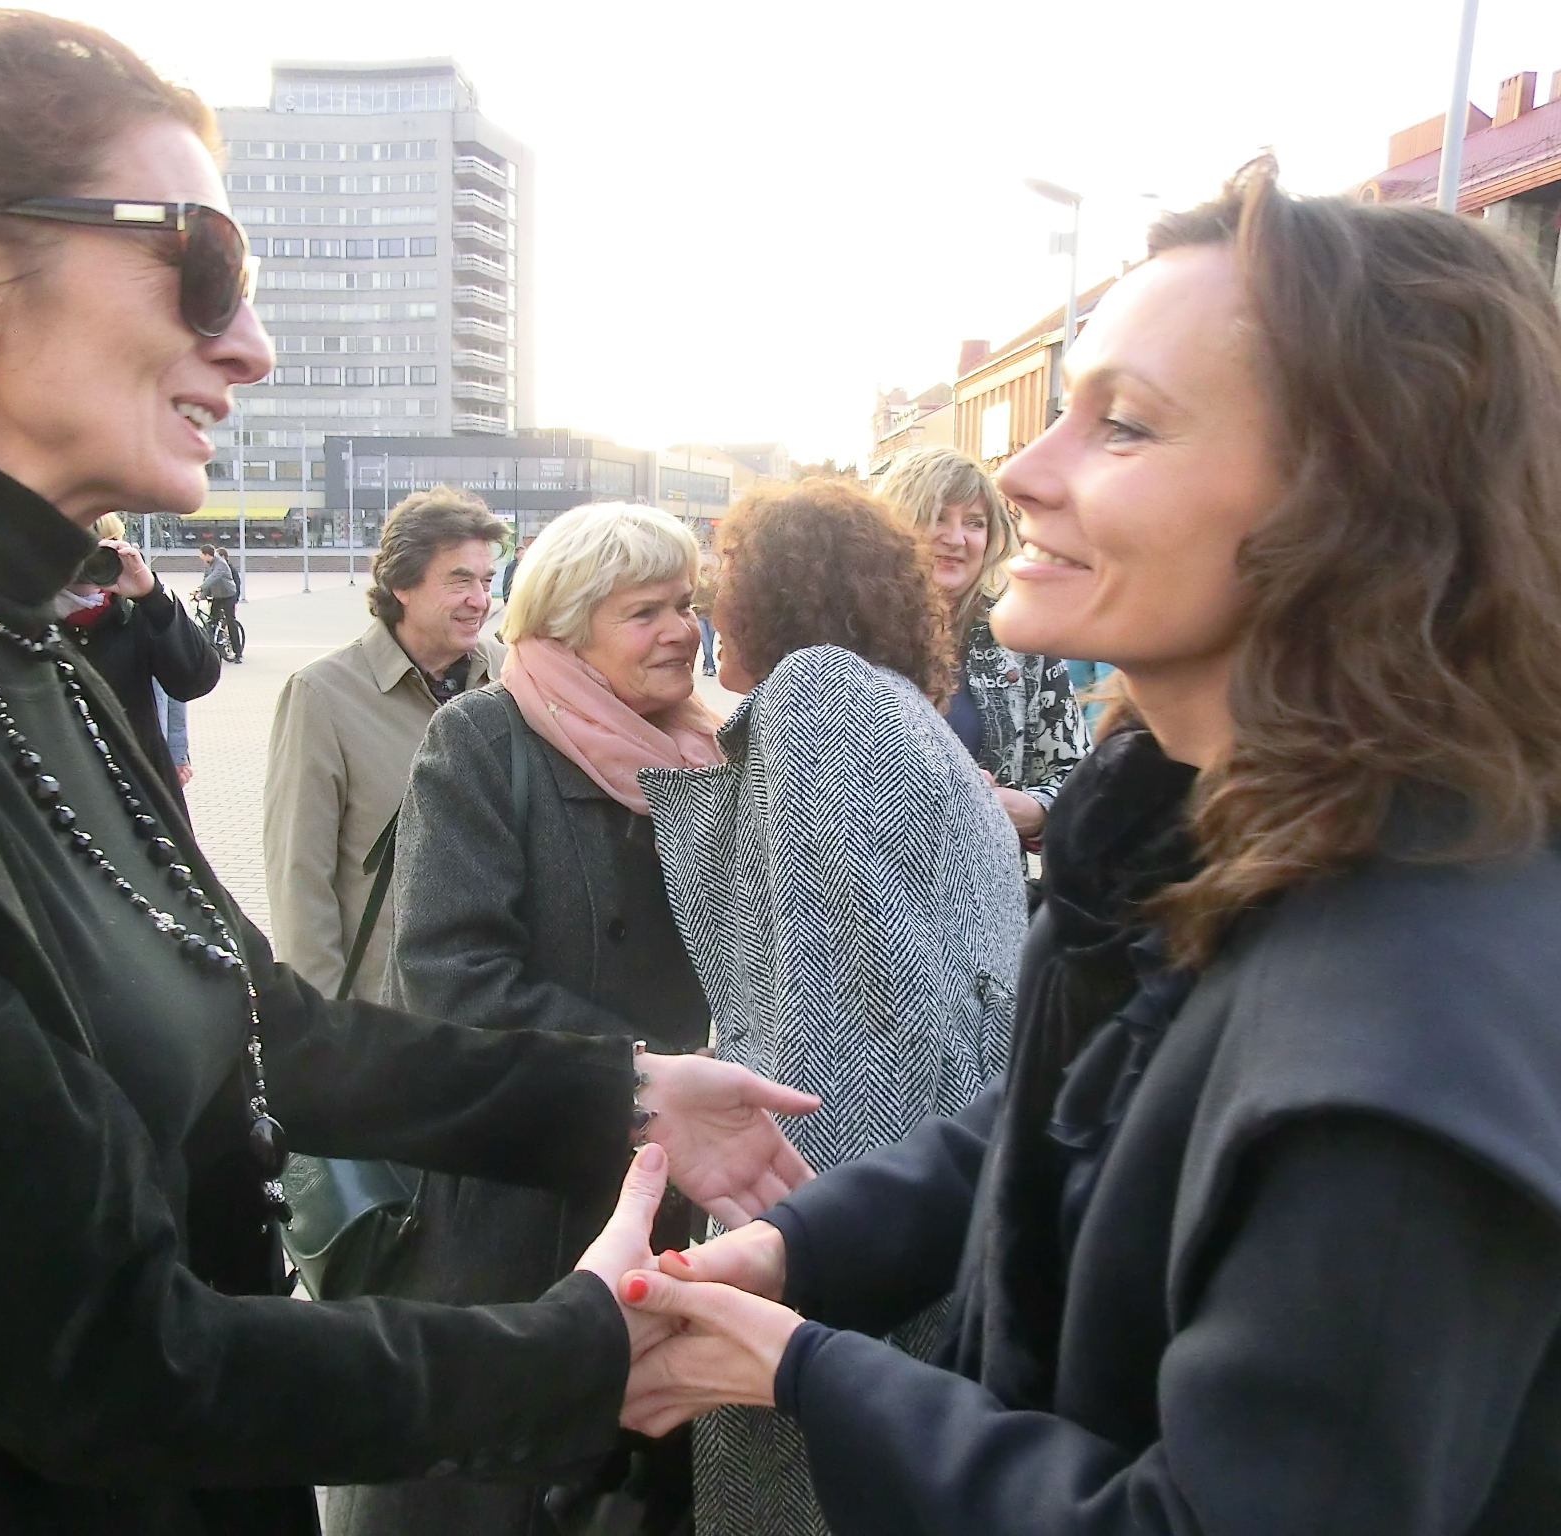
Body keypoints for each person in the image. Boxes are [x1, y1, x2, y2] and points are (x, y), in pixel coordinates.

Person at [0, 19, 818, 1532]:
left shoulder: (17, 646)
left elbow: (262, 1025)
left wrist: (628, 1096)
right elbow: (89, 1352)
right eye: (198, 264)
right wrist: (573, 1354)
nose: (248, 342)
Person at [609, 158, 1561, 1536]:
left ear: (1352, 503)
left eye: (1123, 426)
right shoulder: (1184, 824)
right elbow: (1064, 1126)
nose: (1019, 474)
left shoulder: (1415, 1025)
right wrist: (794, 1251)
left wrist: (807, 1374)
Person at [327, 502, 729, 1536]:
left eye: (685, 604)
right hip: (519, 1198)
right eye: (644, 612)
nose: (680, 631)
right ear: (566, 628)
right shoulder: (483, 738)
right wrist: (648, 1074)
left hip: (677, 1192)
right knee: (487, 1486)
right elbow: (449, 976)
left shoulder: (712, 751)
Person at [640, 478, 1027, 1536]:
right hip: (927, 1216)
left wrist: (796, 1254)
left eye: (724, 578)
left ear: (779, 588)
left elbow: (849, 1016)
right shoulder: (897, 708)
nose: (706, 608)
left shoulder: (821, 698)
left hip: (849, 1234)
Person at [263, 486, 508, 1001]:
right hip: (387, 1008)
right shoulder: (323, 696)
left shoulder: (513, 676)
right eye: (459, 581)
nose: (480, 601)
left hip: (497, 1005)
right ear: (401, 584)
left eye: (486, 580)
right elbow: (299, 878)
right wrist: (326, 1021)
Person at [877, 446, 1090, 842]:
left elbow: (1077, 773)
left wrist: (1037, 810)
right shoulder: (851, 637)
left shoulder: (1020, 639)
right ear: (892, 526)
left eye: (974, 523)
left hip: (994, 876)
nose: (956, 538)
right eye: (937, 517)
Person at [58, 512, 216, 788]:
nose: (85, 564)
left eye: (101, 551)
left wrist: (153, 596)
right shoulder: (22, 618)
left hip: (134, 785)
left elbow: (194, 681)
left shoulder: (135, 613)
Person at [198, 542, 241, 660]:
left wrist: (200, 588)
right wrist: (200, 595)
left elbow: (214, 577)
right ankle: (213, 647)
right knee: (212, 620)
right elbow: (206, 579)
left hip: (228, 595)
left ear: (207, 555)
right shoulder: (207, 564)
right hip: (217, 596)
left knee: (230, 621)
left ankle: (237, 652)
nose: (200, 557)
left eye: (201, 554)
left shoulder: (220, 563)